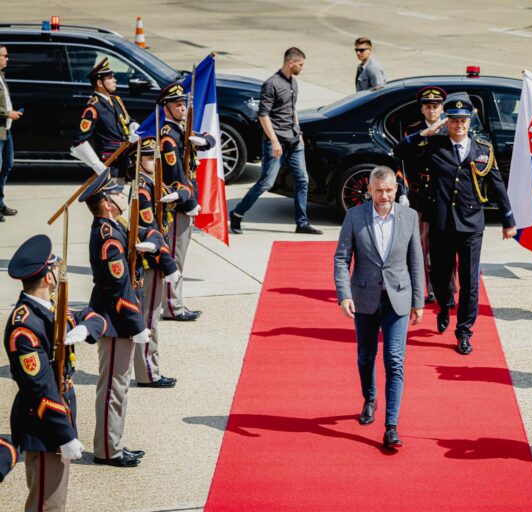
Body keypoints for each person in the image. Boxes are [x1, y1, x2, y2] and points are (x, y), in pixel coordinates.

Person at [394, 93, 517, 355]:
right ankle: (445, 304)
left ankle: (464, 331)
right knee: (439, 275)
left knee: (470, 281)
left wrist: (509, 220)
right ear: (446, 121)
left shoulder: (483, 149)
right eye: (453, 120)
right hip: (441, 224)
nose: (459, 125)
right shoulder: (434, 146)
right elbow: (400, 151)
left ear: (469, 120)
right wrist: (426, 133)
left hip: (471, 224)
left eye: (463, 120)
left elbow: (496, 185)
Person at [4, 234, 108, 509]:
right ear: (48, 277)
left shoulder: (49, 309)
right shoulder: (24, 327)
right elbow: (39, 388)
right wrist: (65, 435)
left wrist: (87, 329)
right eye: (56, 268)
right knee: (46, 503)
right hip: (44, 423)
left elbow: (92, 315)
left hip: (57, 417)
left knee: (55, 499)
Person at [334, 166, 424, 450]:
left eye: (389, 190)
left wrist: (418, 301)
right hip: (364, 297)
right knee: (366, 356)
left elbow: (416, 261)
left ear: (396, 190)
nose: (384, 196)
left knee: (394, 360)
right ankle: (369, 399)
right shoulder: (354, 216)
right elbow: (341, 258)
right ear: (369, 190)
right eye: (378, 190)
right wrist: (343, 294)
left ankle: (391, 426)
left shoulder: (409, 217)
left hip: (398, 297)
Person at [79, 169, 164, 467]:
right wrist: (137, 325)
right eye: (115, 194)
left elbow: (140, 233)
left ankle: (114, 444)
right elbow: (119, 290)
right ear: (105, 204)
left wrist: (151, 242)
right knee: (113, 388)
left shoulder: (113, 226)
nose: (121, 196)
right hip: (116, 321)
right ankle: (107, 450)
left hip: (120, 317)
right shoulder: (107, 239)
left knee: (119, 386)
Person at [229, 47, 322, 236]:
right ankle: (237, 213)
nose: (302, 68)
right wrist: (275, 141)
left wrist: (299, 132)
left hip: (295, 141)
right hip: (275, 142)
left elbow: (292, 109)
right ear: (290, 62)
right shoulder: (271, 84)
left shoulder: (293, 83)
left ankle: (302, 223)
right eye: (300, 64)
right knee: (266, 182)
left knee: (302, 180)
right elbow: (263, 116)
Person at [157, 82, 214, 322]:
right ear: (166, 108)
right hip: (178, 206)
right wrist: (189, 201)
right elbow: (175, 175)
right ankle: (173, 307)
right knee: (175, 258)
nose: (182, 108)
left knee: (179, 256)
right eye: (177, 104)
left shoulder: (181, 130)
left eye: (183, 104)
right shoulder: (169, 138)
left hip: (188, 200)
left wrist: (204, 142)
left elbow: (209, 138)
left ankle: (173, 303)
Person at [132, 137, 181, 387]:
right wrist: (165, 260)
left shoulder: (154, 181)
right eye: (149, 156)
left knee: (153, 316)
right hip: (152, 261)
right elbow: (150, 227)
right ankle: (148, 374)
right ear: (138, 160)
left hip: (157, 255)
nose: (154, 160)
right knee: (149, 317)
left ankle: (149, 369)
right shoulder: (142, 187)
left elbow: (181, 188)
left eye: (156, 156)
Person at [401, 86, 447, 304]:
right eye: (428, 106)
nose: (432, 110)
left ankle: (446, 287)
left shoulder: (450, 128)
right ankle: (425, 287)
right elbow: (403, 153)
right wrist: (423, 135)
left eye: (436, 106)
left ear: (442, 109)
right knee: (422, 243)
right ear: (421, 109)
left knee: (445, 241)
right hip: (421, 192)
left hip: (445, 194)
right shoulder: (413, 130)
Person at [71, 58, 139, 179]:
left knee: (121, 195)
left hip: (123, 162)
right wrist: (97, 165)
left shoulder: (116, 100)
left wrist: (133, 127)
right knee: (112, 196)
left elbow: (128, 121)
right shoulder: (93, 108)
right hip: (108, 164)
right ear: (100, 83)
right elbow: (79, 141)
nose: (115, 80)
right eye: (110, 78)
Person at [0, 45, 22, 221]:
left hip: (6, 130)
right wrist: (8, 113)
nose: (7, 59)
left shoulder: (1, 76)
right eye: (4, 56)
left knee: (7, 165)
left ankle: (0, 204)